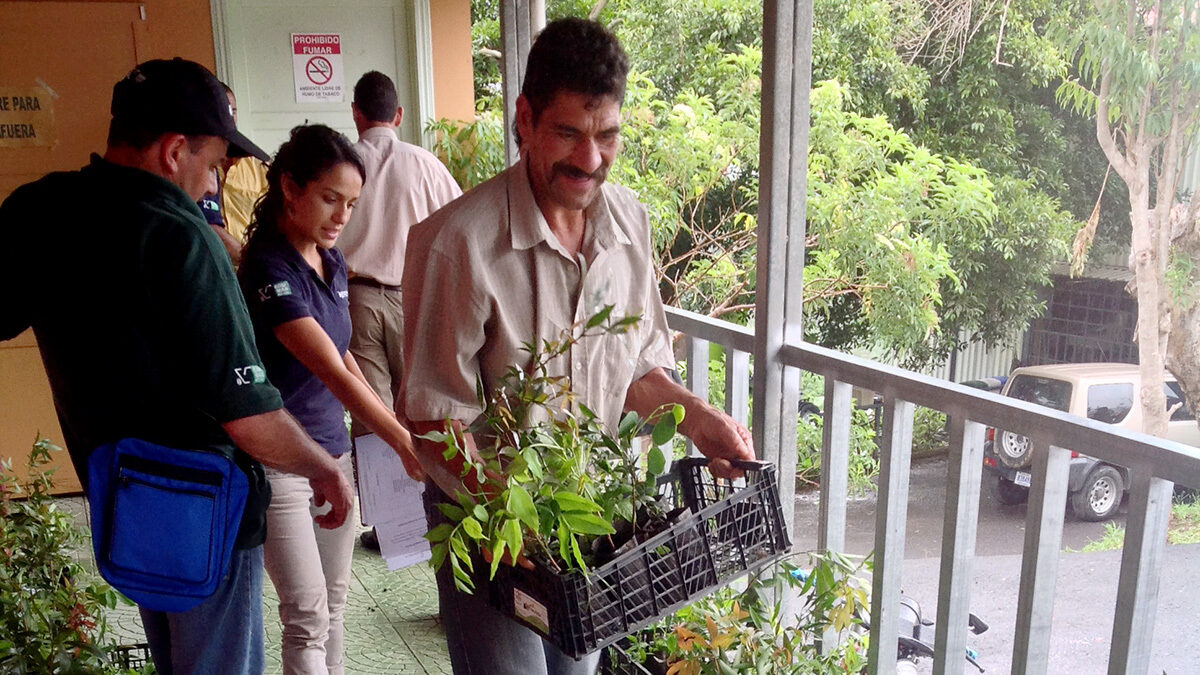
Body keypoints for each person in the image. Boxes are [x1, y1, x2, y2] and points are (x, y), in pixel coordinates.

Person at [399, 18, 756, 675]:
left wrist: (699, 418)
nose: (590, 159)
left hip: (590, 523)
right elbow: (432, 416)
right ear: (526, 119)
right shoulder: (458, 243)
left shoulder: (629, 223)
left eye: (607, 135)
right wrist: (510, 516)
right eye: (568, 132)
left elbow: (638, 371)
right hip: (491, 529)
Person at [0, 58, 354, 675]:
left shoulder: (39, 209)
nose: (214, 184)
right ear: (172, 151)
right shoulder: (181, 236)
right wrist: (324, 468)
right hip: (207, 510)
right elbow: (249, 417)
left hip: (123, 495)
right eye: (213, 163)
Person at [238, 124, 424, 675]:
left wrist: (392, 429)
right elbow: (327, 367)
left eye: (351, 203)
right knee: (306, 613)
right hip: (281, 463)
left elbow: (344, 356)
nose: (342, 215)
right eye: (330, 198)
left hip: (331, 451)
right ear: (290, 188)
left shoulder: (332, 261)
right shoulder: (267, 268)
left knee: (334, 606)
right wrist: (402, 441)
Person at [339, 70, 462, 551]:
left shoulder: (345, 164)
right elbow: (459, 226)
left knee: (371, 413)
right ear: (399, 115)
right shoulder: (426, 165)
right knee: (420, 409)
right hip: (417, 299)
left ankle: (389, 529)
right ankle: (425, 513)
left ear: (356, 113)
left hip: (360, 299)